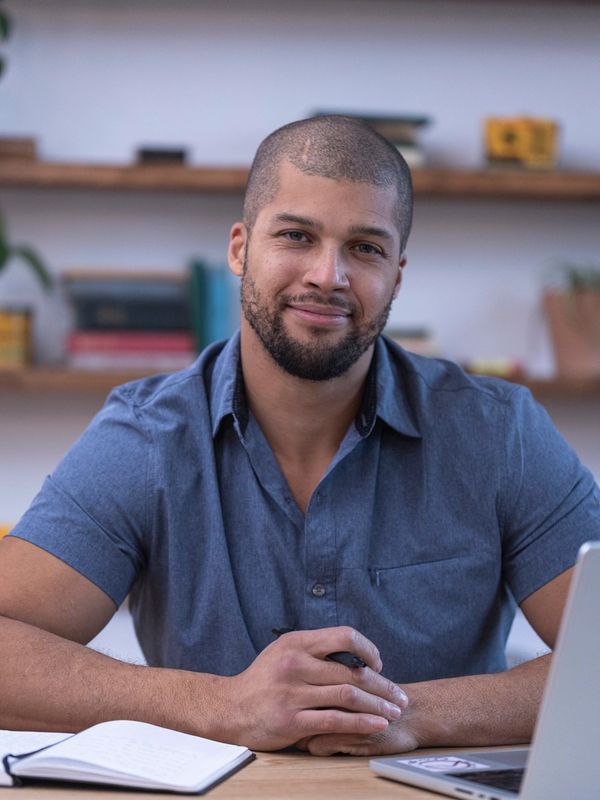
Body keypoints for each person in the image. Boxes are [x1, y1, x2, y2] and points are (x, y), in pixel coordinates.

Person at [1, 115, 599, 757]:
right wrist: (222, 706)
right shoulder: (145, 437)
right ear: (240, 249)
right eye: (296, 235)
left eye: (365, 248)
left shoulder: (499, 432)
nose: (327, 274)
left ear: (396, 277)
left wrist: (409, 713)